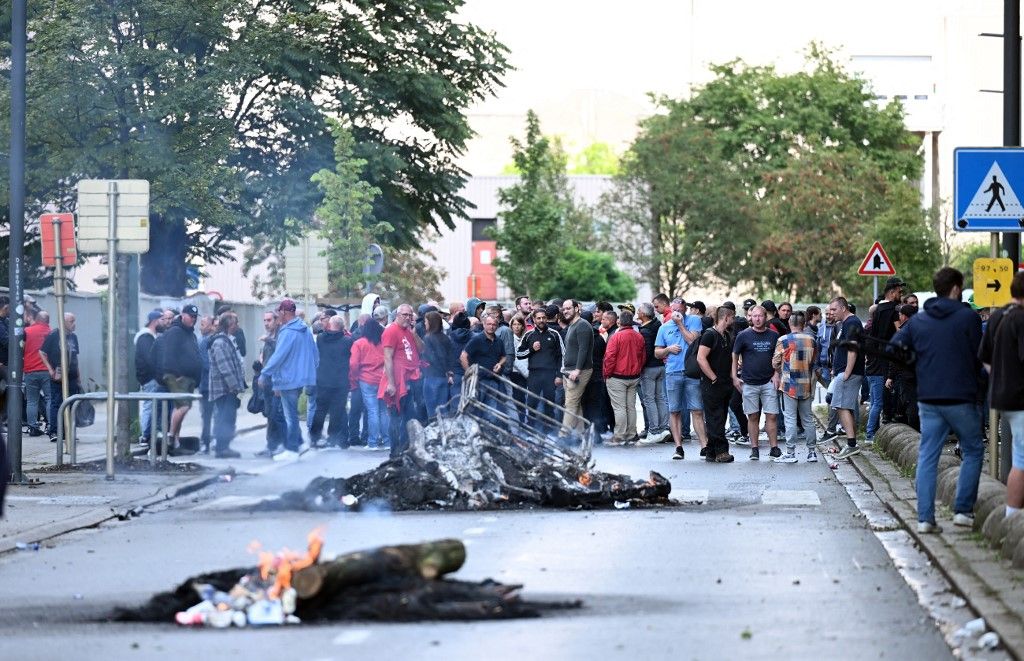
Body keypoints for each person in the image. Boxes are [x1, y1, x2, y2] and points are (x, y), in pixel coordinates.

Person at [893, 267, 984, 533]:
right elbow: (979, 356)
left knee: (928, 455)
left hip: (928, 397)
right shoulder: (968, 318)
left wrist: (919, 365)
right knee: (973, 450)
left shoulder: (919, 321)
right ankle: (963, 512)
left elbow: (895, 347)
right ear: (956, 289)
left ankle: (924, 519)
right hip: (961, 397)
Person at [979, 270, 1024, 521]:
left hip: (1001, 397)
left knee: (1020, 456)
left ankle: (1012, 517)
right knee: (1021, 460)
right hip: (1020, 398)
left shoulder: (998, 317)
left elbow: (984, 357)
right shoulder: (1021, 319)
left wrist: (1001, 378)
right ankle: (1012, 519)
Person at [259, 299, 318, 461]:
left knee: (290, 416)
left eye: (279, 313)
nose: (279, 316)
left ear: (284, 313)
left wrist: (265, 373)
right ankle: (299, 443)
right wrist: (312, 374)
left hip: (286, 378)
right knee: (291, 414)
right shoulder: (305, 330)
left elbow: (279, 356)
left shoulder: (287, 332)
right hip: (300, 378)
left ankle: (292, 450)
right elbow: (314, 353)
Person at [731, 305, 781, 461]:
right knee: (753, 416)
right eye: (755, 316)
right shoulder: (743, 335)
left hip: (768, 381)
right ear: (750, 318)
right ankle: (754, 448)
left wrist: (777, 373)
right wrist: (734, 376)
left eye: (760, 316)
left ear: (766, 317)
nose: (758, 319)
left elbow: (780, 357)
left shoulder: (774, 335)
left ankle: (774, 448)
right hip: (749, 382)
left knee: (772, 415)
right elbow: (734, 355)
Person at [772, 311, 818, 463]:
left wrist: (781, 368)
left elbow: (775, 362)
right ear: (804, 324)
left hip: (789, 384)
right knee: (808, 418)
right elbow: (814, 361)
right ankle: (812, 452)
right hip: (806, 383)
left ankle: (791, 452)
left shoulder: (783, 340)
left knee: (790, 418)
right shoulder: (811, 340)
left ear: (790, 324)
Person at [157, 304, 204, 452]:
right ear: (183, 315)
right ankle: (171, 437)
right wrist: (176, 374)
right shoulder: (175, 331)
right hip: (176, 375)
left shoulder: (190, 333)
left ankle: (175, 440)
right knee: (183, 406)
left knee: (182, 407)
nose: (194, 319)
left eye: (195, 317)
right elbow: (169, 354)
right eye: (191, 316)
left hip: (188, 376)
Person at [865, 276, 905, 443]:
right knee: (878, 401)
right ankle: (869, 434)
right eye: (899, 292)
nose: (901, 295)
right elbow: (900, 332)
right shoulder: (894, 311)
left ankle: (871, 432)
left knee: (875, 399)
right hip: (885, 358)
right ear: (892, 292)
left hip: (875, 355)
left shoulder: (879, 310)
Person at [381, 303, 423, 457]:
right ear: (397, 315)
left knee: (410, 417)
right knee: (396, 417)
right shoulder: (391, 330)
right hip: (397, 381)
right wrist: (391, 383)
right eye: (404, 314)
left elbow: (421, 349)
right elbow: (387, 357)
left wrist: (414, 333)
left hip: (411, 380)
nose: (408, 317)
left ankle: (404, 449)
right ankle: (394, 451)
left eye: (410, 315)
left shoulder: (409, 331)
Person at [696, 306, 736, 463]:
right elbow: (701, 358)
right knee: (715, 418)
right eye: (732, 317)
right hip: (712, 384)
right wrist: (713, 377)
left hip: (725, 383)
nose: (733, 320)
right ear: (726, 318)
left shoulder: (726, 335)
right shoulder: (709, 335)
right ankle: (721, 451)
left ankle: (711, 451)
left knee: (720, 417)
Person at [828, 297, 865, 459]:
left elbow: (852, 349)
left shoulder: (852, 323)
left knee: (841, 407)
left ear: (843, 308)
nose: (831, 313)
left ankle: (851, 444)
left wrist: (847, 373)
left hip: (848, 373)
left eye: (834, 310)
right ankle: (851, 443)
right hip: (844, 372)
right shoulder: (846, 323)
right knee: (844, 407)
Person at [603, 310, 646, 445]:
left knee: (619, 407)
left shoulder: (616, 337)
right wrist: (638, 369)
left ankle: (620, 435)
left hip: (617, 376)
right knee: (630, 406)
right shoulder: (639, 337)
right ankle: (632, 434)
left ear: (619, 321)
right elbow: (642, 357)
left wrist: (607, 374)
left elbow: (610, 358)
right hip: (633, 376)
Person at [518, 308, 564, 430]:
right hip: (534, 374)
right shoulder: (528, 335)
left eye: (543, 317)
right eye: (538, 318)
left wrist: (559, 375)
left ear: (546, 318)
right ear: (534, 319)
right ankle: (531, 428)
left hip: (550, 375)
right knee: (532, 402)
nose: (541, 320)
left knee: (550, 403)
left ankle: (549, 430)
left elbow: (562, 356)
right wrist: (531, 349)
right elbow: (519, 354)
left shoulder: (555, 334)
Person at [310, 315, 353, 448]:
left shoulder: (321, 339)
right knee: (337, 411)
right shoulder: (347, 341)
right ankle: (332, 437)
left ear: (329, 325)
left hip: (323, 380)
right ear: (342, 327)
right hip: (340, 382)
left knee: (320, 410)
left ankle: (314, 436)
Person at [207, 312, 246, 458]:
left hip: (226, 388)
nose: (237, 325)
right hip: (224, 388)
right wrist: (234, 386)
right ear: (230, 324)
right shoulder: (220, 343)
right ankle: (222, 448)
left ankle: (224, 447)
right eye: (236, 323)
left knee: (228, 417)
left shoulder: (224, 340)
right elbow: (224, 367)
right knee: (225, 418)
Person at [40, 312, 80, 442]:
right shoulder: (54, 335)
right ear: (63, 322)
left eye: (74, 321)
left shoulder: (73, 337)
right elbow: (42, 352)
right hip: (58, 375)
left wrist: (78, 376)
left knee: (72, 402)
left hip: (72, 376)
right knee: (56, 402)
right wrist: (50, 369)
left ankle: (68, 431)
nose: (74, 324)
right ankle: (54, 431)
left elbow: (75, 358)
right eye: (71, 321)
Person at [350, 318, 389, 450]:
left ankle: (372, 442)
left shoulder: (359, 343)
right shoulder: (384, 343)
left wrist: (354, 378)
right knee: (383, 411)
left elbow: (353, 364)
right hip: (383, 379)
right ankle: (387, 441)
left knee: (372, 411)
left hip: (366, 379)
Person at [460, 313, 507, 417]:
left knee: (490, 411)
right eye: (489, 324)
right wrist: (469, 373)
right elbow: (463, 356)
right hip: (479, 381)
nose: (491, 326)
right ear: (484, 325)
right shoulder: (477, 339)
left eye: (494, 324)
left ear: (497, 326)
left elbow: (504, 356)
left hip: (494, 381)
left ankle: (487, 431)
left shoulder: (499, 341)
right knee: (475, 410)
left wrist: (500, 363)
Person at [637, 302, 669, 444]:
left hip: (649, 368)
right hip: (661, 366)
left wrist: (640, 367)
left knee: (649, 399)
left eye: (638, 311)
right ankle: (663, 428)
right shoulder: (658, 325)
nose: (637, 313)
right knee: (660, 398)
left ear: (643, 315)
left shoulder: (645, 331)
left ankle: (654, 431)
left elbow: (647, 352)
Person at [560, 299, 594, 434]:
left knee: (571, 403)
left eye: (568, 308)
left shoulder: (582, 325)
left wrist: (577, 370)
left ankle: (563, 434)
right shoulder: (571, 325)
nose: (565, 311)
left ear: (576, 309)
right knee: (575, 403)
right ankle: (580, 434)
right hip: (568, 370)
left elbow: (583, 350)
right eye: (564, 309)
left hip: (579, 370)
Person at [422, 311, 456, 419]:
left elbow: (431, 359)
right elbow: (451, 357)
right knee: (443, 410)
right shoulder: (446, 338)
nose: (425, 324)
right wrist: (449, 373)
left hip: (432, 377)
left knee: (432, 412)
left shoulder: (428, 338)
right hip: (444, 378)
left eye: (426, 322)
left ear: (431, 323)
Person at [23, 310, 52, 435]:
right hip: (47, 371)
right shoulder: (51, 332)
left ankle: (33, 427)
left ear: (37, 319)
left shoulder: (27, 331)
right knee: (50, 398)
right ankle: (51, 426)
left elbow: (22, 349)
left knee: (31, 401)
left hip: (30, 370)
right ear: (47, 321)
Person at [196, 315, 216, 452]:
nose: (200, 327)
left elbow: (206, 363)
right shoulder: (204, 341)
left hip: (209, 384)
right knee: (208, 414)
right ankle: (207, 440)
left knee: (208, 414)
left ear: (211, 326)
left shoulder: (206, 341)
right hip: (206, 384)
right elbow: (205, 363)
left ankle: (207, 441)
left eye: (203, 324)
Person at [508, 314, 530, 421]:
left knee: (522, 399)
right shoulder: (511, 339)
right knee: (517, 399)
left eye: (519, 324)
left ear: (522, 326)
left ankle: (522, 422)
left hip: (524, 373)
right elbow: (514, 359)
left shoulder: (525, 338)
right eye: (514, 324)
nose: (516, 327)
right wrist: (527, 373)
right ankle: (518, 423)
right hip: (515, 373)